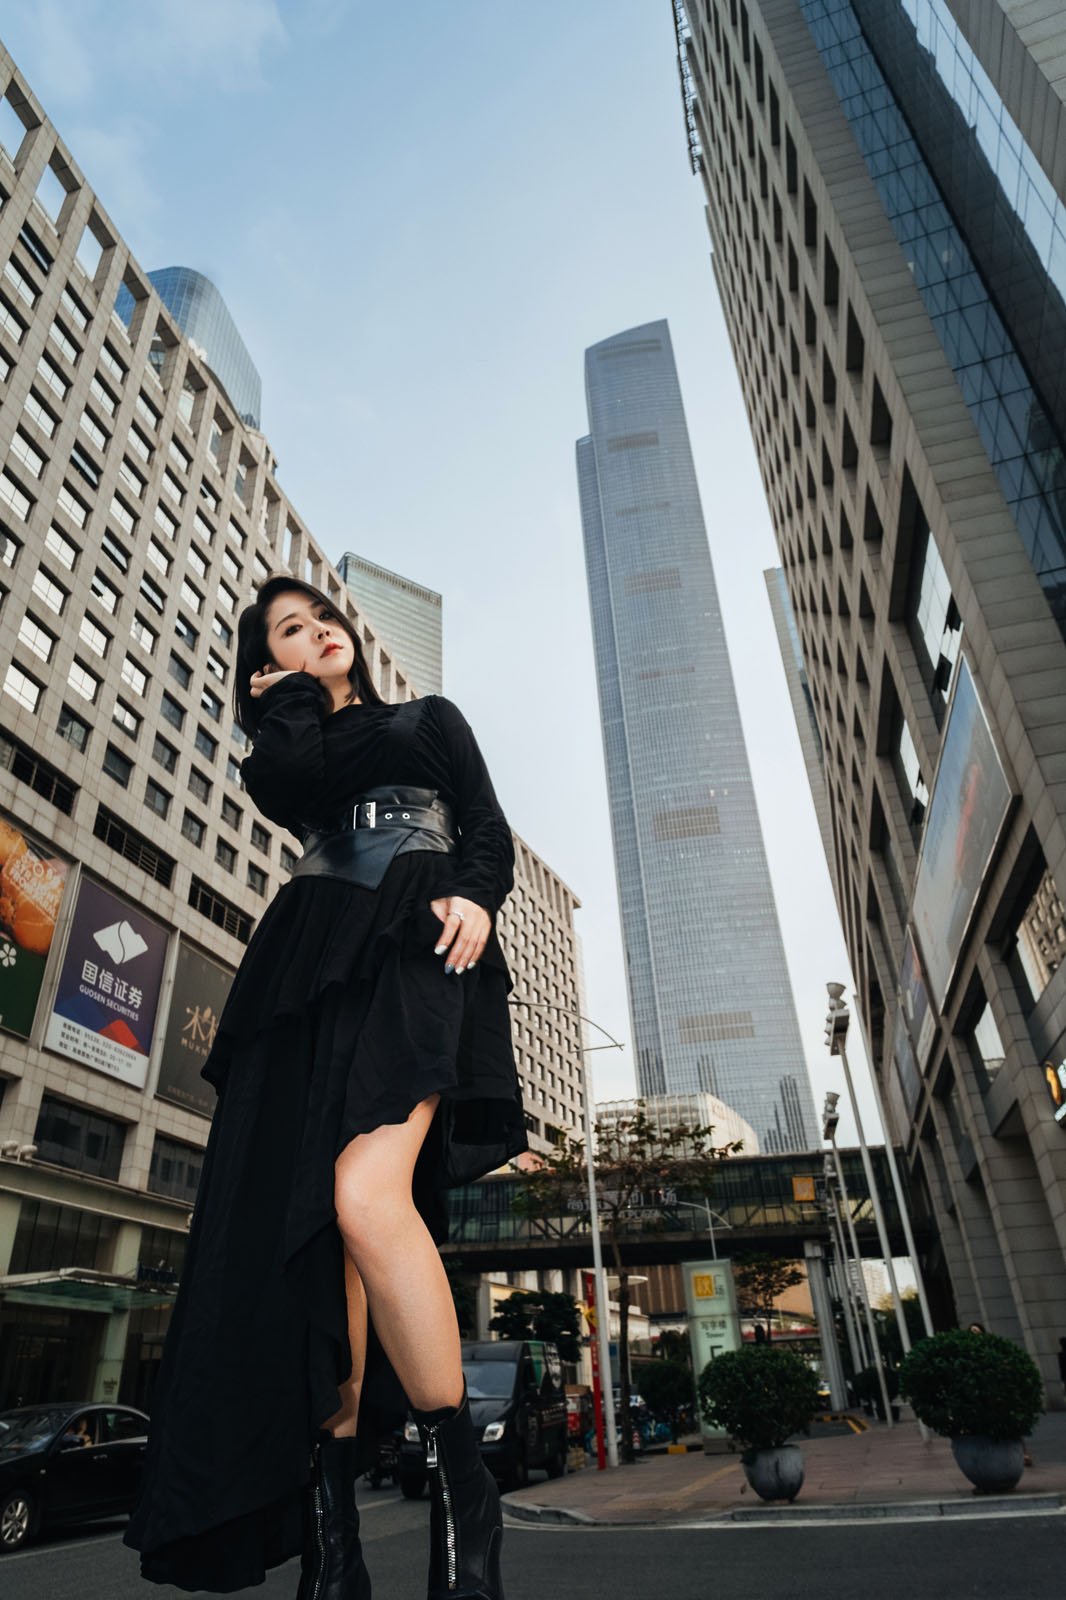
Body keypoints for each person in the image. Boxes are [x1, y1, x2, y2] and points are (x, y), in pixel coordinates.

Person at [124, 577, 527, 1599]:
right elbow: (286, 790)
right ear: (270, 666)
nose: (319, 631)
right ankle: (331, 1538)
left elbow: (485, 823)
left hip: (420, 933)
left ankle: (464, 1497)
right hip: (307, 956)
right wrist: (287, 702)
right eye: (288, 632)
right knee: (318, 1240)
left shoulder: (427, 718)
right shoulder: (293, 739)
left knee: (362, 1197)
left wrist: (476, 897)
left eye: (320, 618)